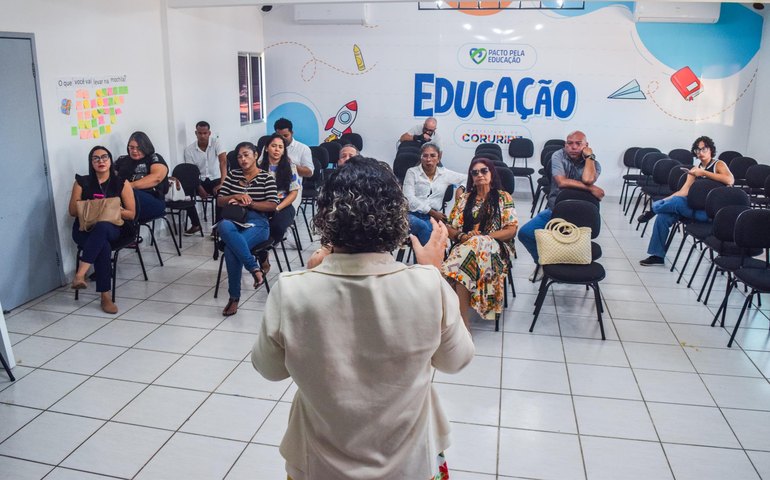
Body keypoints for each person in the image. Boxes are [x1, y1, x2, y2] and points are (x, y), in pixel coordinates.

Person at [251, 156, 474, 480]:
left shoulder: (292, 291)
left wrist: (314, 276)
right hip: (410, 464)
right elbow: (458, 360)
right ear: (397, 218)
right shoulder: (427, 284)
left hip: (319, 465)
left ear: (326, 218)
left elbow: (269, 369)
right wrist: (435, 274)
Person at [441, 157, 518, 329]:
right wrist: (461, 237)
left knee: (459, 264)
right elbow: (449, 227)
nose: (480, 175)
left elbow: (511, 230)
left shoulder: (503, 197)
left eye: (484, 171)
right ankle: (462, 324)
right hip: (464, 247)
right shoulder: (464, 198)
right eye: (475, 172)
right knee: (462, 269)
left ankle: (459, 322)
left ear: (492, 174)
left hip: (495, 248)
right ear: (471, 177)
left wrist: (483, 236)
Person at [517, 130, 603, 280]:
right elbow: (562, 182)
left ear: (586, 146)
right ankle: (542, 264)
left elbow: (588, 179)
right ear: (565, 144)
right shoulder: (558, 155)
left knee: (567, 244)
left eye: (578, 144)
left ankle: (564, 268)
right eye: (570, 143)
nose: (573, 147)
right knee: (525, 233)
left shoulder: (593, 164)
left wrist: (589, 157)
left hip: (579, 217)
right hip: (554, 210)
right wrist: (591, 189)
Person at [638, 136, 734, 266]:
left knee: (677, 202)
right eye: (697, 150)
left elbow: (729, 180)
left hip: (709, 214)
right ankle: (657, 255)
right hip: (692, 209)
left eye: (704, 149)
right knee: (663, 216)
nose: (700, 152)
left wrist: (704, 173)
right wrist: (663, 201)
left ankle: (652, 210)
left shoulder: (718, 164)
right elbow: (683, 191)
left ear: (710, 149)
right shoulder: (695, 169)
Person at [69, 146, 136, 314]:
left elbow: (131, 213)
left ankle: (80, 274)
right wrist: (95, 208)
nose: (101, 161)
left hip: (114, 228)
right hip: (84, 229)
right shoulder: (81, 182)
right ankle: (105, 296)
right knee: (103, 246)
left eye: (105, 157)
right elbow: (72, 211)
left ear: (111, 160)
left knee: (103, 226)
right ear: (91, 163)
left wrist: (112, 209)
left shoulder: (121, 183)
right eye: (96, 158)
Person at [216, 141, 278, 316]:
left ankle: (233, 298)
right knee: (223, 225)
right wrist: (235, 195)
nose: (242, 159)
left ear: (256, 155)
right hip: (235, 220)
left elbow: (273, 205)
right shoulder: (232, 175)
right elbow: (220, 201)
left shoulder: (266, 177)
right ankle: (254, 268)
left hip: (258, 222)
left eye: (246, 155)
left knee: (230, 249)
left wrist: (251, 203)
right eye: (239, 156)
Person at [403, 142, 467, 245]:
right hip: (412, 215)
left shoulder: (445, 174)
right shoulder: (412, 172)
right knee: (423, 227)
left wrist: (461, 188)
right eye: (425, 156)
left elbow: (467, 178)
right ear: (421, 157)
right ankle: (432, 258)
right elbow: (408, 199)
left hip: (434, 217)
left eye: (433, 155)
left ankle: (429, 257)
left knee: (437, 229)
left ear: (439, 157)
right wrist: (431, 212)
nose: (428, 159)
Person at [258, 133, 300, 274]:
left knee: (276, 225)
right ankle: (262, 256)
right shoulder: (258, 165)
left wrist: (277, 207)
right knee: (256, 225)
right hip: (262, 202)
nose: (277, 150)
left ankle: (264, 251)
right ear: (266, 148)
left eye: (280, 147)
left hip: (284, 204)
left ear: (284, 150)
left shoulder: (290, 166)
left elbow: (294, 193)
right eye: (274, 146)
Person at [179, 120, 227, 235]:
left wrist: (222, 182)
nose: (202, 136)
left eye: (205, 133)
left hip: (216, 179)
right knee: (186, 194)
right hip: (199, 180)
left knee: (222, 193)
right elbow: (192, 172)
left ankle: (218, 227)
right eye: (200, 133)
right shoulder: (189, 150)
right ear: (196, 133)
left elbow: (223, 162)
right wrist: (199, 187)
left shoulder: (217, 143)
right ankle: (195, 224)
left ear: (209, 133)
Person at [114, 131, 169, 223]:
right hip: (126, 201)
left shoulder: (154, 158)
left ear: (145, 147)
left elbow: (157, 178)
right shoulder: (122, 160)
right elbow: (109, 177)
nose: (134, 151)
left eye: (138, 148)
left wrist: (128, 187)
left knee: (130, 195)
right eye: (131, 147)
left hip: (153, 200)